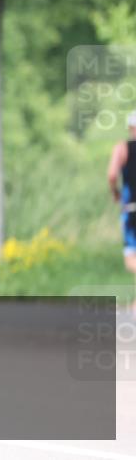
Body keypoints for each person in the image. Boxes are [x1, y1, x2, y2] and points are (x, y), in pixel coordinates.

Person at [107, 110, 136, 313]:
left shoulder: (122, 148)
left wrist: (115, 193)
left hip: (132, 209)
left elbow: (111, 174)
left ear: (130, 128)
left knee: (131, 259)